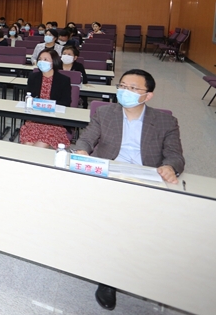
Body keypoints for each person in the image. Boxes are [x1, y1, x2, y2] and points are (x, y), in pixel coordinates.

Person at [74, 69, 184, 311]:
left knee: (133, 222)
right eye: (122, 86)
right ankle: (109, 277)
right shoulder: (105, 113)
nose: (125, 91)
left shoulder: (166, 122)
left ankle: (129, 272)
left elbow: (175, 156)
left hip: (145, 179)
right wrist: (82, 150)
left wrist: (169, 167)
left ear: (148, 95)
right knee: (111, 218)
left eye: (133, 88)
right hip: (109, 175)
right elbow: (87, 138)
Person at [18, 49, 73, 148]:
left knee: (39, 146)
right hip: (35, 120)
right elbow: (28, 97)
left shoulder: (63, 80)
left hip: (54, 122)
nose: (41, 61)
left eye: (45, 59)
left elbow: (66, 102)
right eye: (40, 59)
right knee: (27, 145)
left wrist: (48, 105)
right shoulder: (33, 77)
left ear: (54, 62)